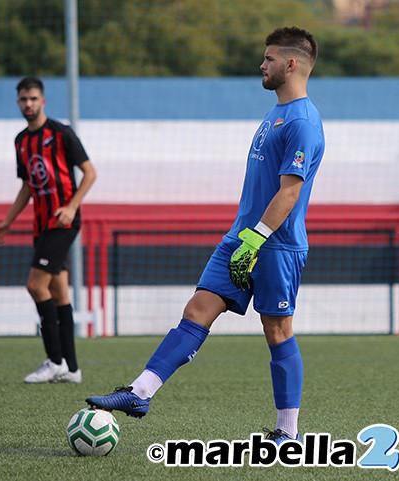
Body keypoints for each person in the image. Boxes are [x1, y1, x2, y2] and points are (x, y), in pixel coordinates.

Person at [86, 26, 324, 444]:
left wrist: (256, 240)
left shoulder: (303, 121)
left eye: (268, 59)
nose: (261, 65)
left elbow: (290, 191)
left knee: (278, 331)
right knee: (197, 309)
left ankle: (288, 433)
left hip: (274, 244)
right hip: (242, 237)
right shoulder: (276, 114)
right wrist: (244, 238)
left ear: (290, 64)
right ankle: (140, 393)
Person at [0, 76, 97, 384]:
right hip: (40, 225)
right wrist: (9, 220)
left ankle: (54, 361)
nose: (28, 104)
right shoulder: (21, 141)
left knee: (35, 286)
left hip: (62, 222)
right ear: (18, 103)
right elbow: (27, 185)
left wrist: (72, 206)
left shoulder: (61, 133)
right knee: (57, 292)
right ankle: (73, 369)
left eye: (33, 99)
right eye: (23, 99)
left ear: (43, 101)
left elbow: (90, 173)